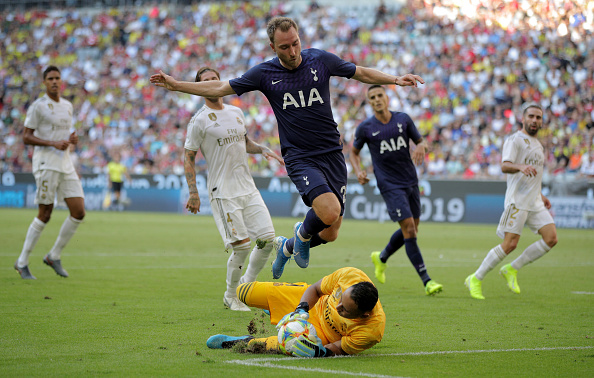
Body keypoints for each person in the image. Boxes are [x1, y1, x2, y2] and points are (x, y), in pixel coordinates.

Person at [150, 17, 424, 279]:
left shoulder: (320, 59)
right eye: (284, 47)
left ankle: (289, 246)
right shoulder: (264, 73)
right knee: (328, 212)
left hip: (332, 154)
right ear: (273, 47)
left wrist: (394, 79)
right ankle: (302, 236)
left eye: (295, 43)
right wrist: (176, 85)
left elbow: (360, 72)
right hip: (300, 156)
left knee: (331, 232)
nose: (292, 51)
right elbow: (221, 87)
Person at [184, 67, 285, 311]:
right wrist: (193, 193)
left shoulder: (236, 112)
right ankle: (231, 296)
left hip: (247, 187)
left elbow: (244, 141)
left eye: (214, 79)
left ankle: (245, 286)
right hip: (223, 191)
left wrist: (261, 149)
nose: (211, 83)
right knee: (241, 246)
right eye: (205, 81)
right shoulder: (198, 121)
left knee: (267, 240)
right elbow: (188, 156)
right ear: (199, 88)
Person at [350, 85, 443, 296]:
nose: (376, 99)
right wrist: (358, 171)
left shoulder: (403, 119)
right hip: (389, 184)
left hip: (410, 180)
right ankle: (427, 281)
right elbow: (354, 153)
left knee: (411, 229)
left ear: (386, 97)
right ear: (369, 102)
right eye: (372, 97)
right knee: (410, 229)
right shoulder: (365, 127)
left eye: (379, 95)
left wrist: (421, 146)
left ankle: (381, 258)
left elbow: (422, 142)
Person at [465, 103, 558, 299]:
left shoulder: (539, 146)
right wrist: (520, 166)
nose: (534, 120)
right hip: (517, 201)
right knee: (510, 244)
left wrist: (540, 195)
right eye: (531, 116)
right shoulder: (515, 140)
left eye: (538, 117)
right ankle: (475, 278)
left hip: (535, 201)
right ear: (523, 119)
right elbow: (505, 166)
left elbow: (534, 175)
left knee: (551, 238)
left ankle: (512, 268)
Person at [205, 267, 385, 357]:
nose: (337, 308)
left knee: (290, 345)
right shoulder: (350, 275)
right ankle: (279, 312)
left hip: (322, 334)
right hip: (312, 304)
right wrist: (301, 309)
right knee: (243, 292)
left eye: (345, 310)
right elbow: (315, 289)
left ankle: (242, 342)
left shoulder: (372, 331)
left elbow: (338, 348)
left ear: (364, 315)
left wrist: (318, 352)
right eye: (340, 300)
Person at [14, 65, 85, 279]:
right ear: (44, 82)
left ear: (61, 81)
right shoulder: (38, 106)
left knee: (78, 211)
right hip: (46, 163)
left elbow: (66, 134)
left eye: (57, 78)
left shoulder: (67, 106)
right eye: (50, 78)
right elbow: (26, 137)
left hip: (65, 163)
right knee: (45, 213)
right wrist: (52, 143)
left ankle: (53, 255)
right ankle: (22, 261)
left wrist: (72, 140)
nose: (54, 81)